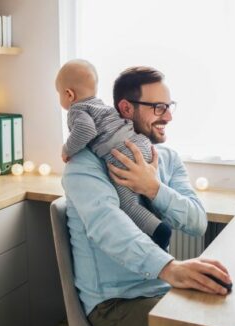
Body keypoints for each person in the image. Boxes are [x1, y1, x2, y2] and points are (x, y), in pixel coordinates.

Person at [62, 66, 232, 326]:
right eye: (158, 108)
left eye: (169, 107)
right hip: (115, 304)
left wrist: (154, 189)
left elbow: (197, 222)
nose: (168, 117)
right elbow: (108, 226)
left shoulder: (167, 159)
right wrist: (170, 267)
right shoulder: (84, 165)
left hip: (163, 288)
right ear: (126, 109)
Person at [56, 59, 172, 250]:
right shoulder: (101, 106)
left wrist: (66, 149)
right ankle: (156, 220)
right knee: (144, 194)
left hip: (124, 153)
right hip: (141, 144)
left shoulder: (78, 110)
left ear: (69, 94)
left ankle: (160, 232)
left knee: (127, 204)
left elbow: (86, 131)